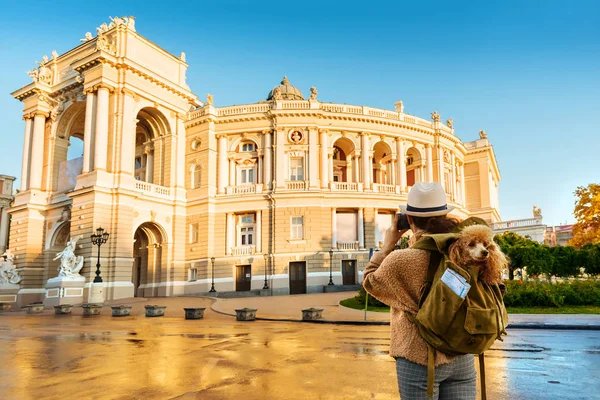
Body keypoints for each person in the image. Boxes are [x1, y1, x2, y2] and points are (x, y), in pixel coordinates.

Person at [363, 182, 477, 400]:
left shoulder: (401, 259)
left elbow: (370, 281)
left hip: (418, 357)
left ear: (409, 219)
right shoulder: (464, 253)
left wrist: (387, 246)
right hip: (460, 353)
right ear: (444, 215)